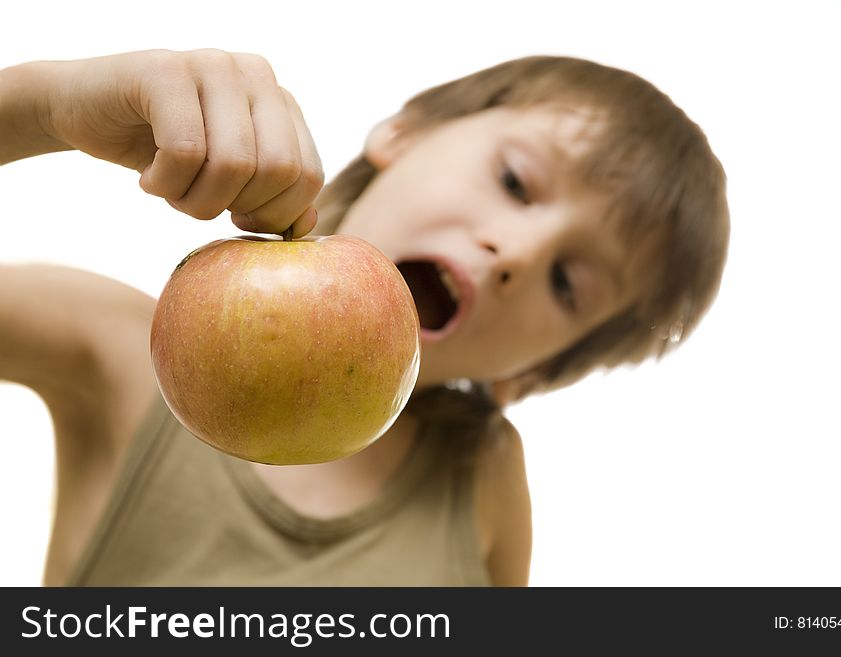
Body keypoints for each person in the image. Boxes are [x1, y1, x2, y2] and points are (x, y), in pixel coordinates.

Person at [0, 49, 729, 586]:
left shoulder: (487, 477)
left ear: (539, 367)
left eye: (569, 283)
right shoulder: (118, 348)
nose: (516, 253)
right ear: (403, 134)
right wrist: (41, 108)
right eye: (515, 181)